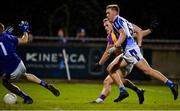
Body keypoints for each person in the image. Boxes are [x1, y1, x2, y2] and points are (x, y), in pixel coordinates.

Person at [105, 4, 178, 102]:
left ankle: (172, 84)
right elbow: (139, 31)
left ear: (115, 12)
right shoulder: (123, 20)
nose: (107, 15)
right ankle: (123, 91)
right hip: (129, 51)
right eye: (106, 13)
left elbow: (123, 34)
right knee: (111, 68)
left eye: (109, 13)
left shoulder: (116, 21)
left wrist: (115, 47)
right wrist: (139, 45)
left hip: (130, 51)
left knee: (147, 70)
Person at [92, 18, 154, 104]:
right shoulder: (111, 36)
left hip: (129, 58)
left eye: (107, 25)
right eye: (104, 26)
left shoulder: (122, 32)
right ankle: (138, 91)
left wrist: (150, 30)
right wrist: (99, 63)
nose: (105, 28)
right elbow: (107, 52)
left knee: (109, 80)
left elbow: (139, 33)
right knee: (118, 79)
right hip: (121, 60)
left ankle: (101, 99)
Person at [0, 21, 60, 104]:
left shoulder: (6, 36)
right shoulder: (8, 37)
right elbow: (24, 40)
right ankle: (45, 84)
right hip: (20, 64)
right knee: (24, 75)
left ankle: (27, 98)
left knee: (5, 82)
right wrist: (25, 30)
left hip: (10, 71)